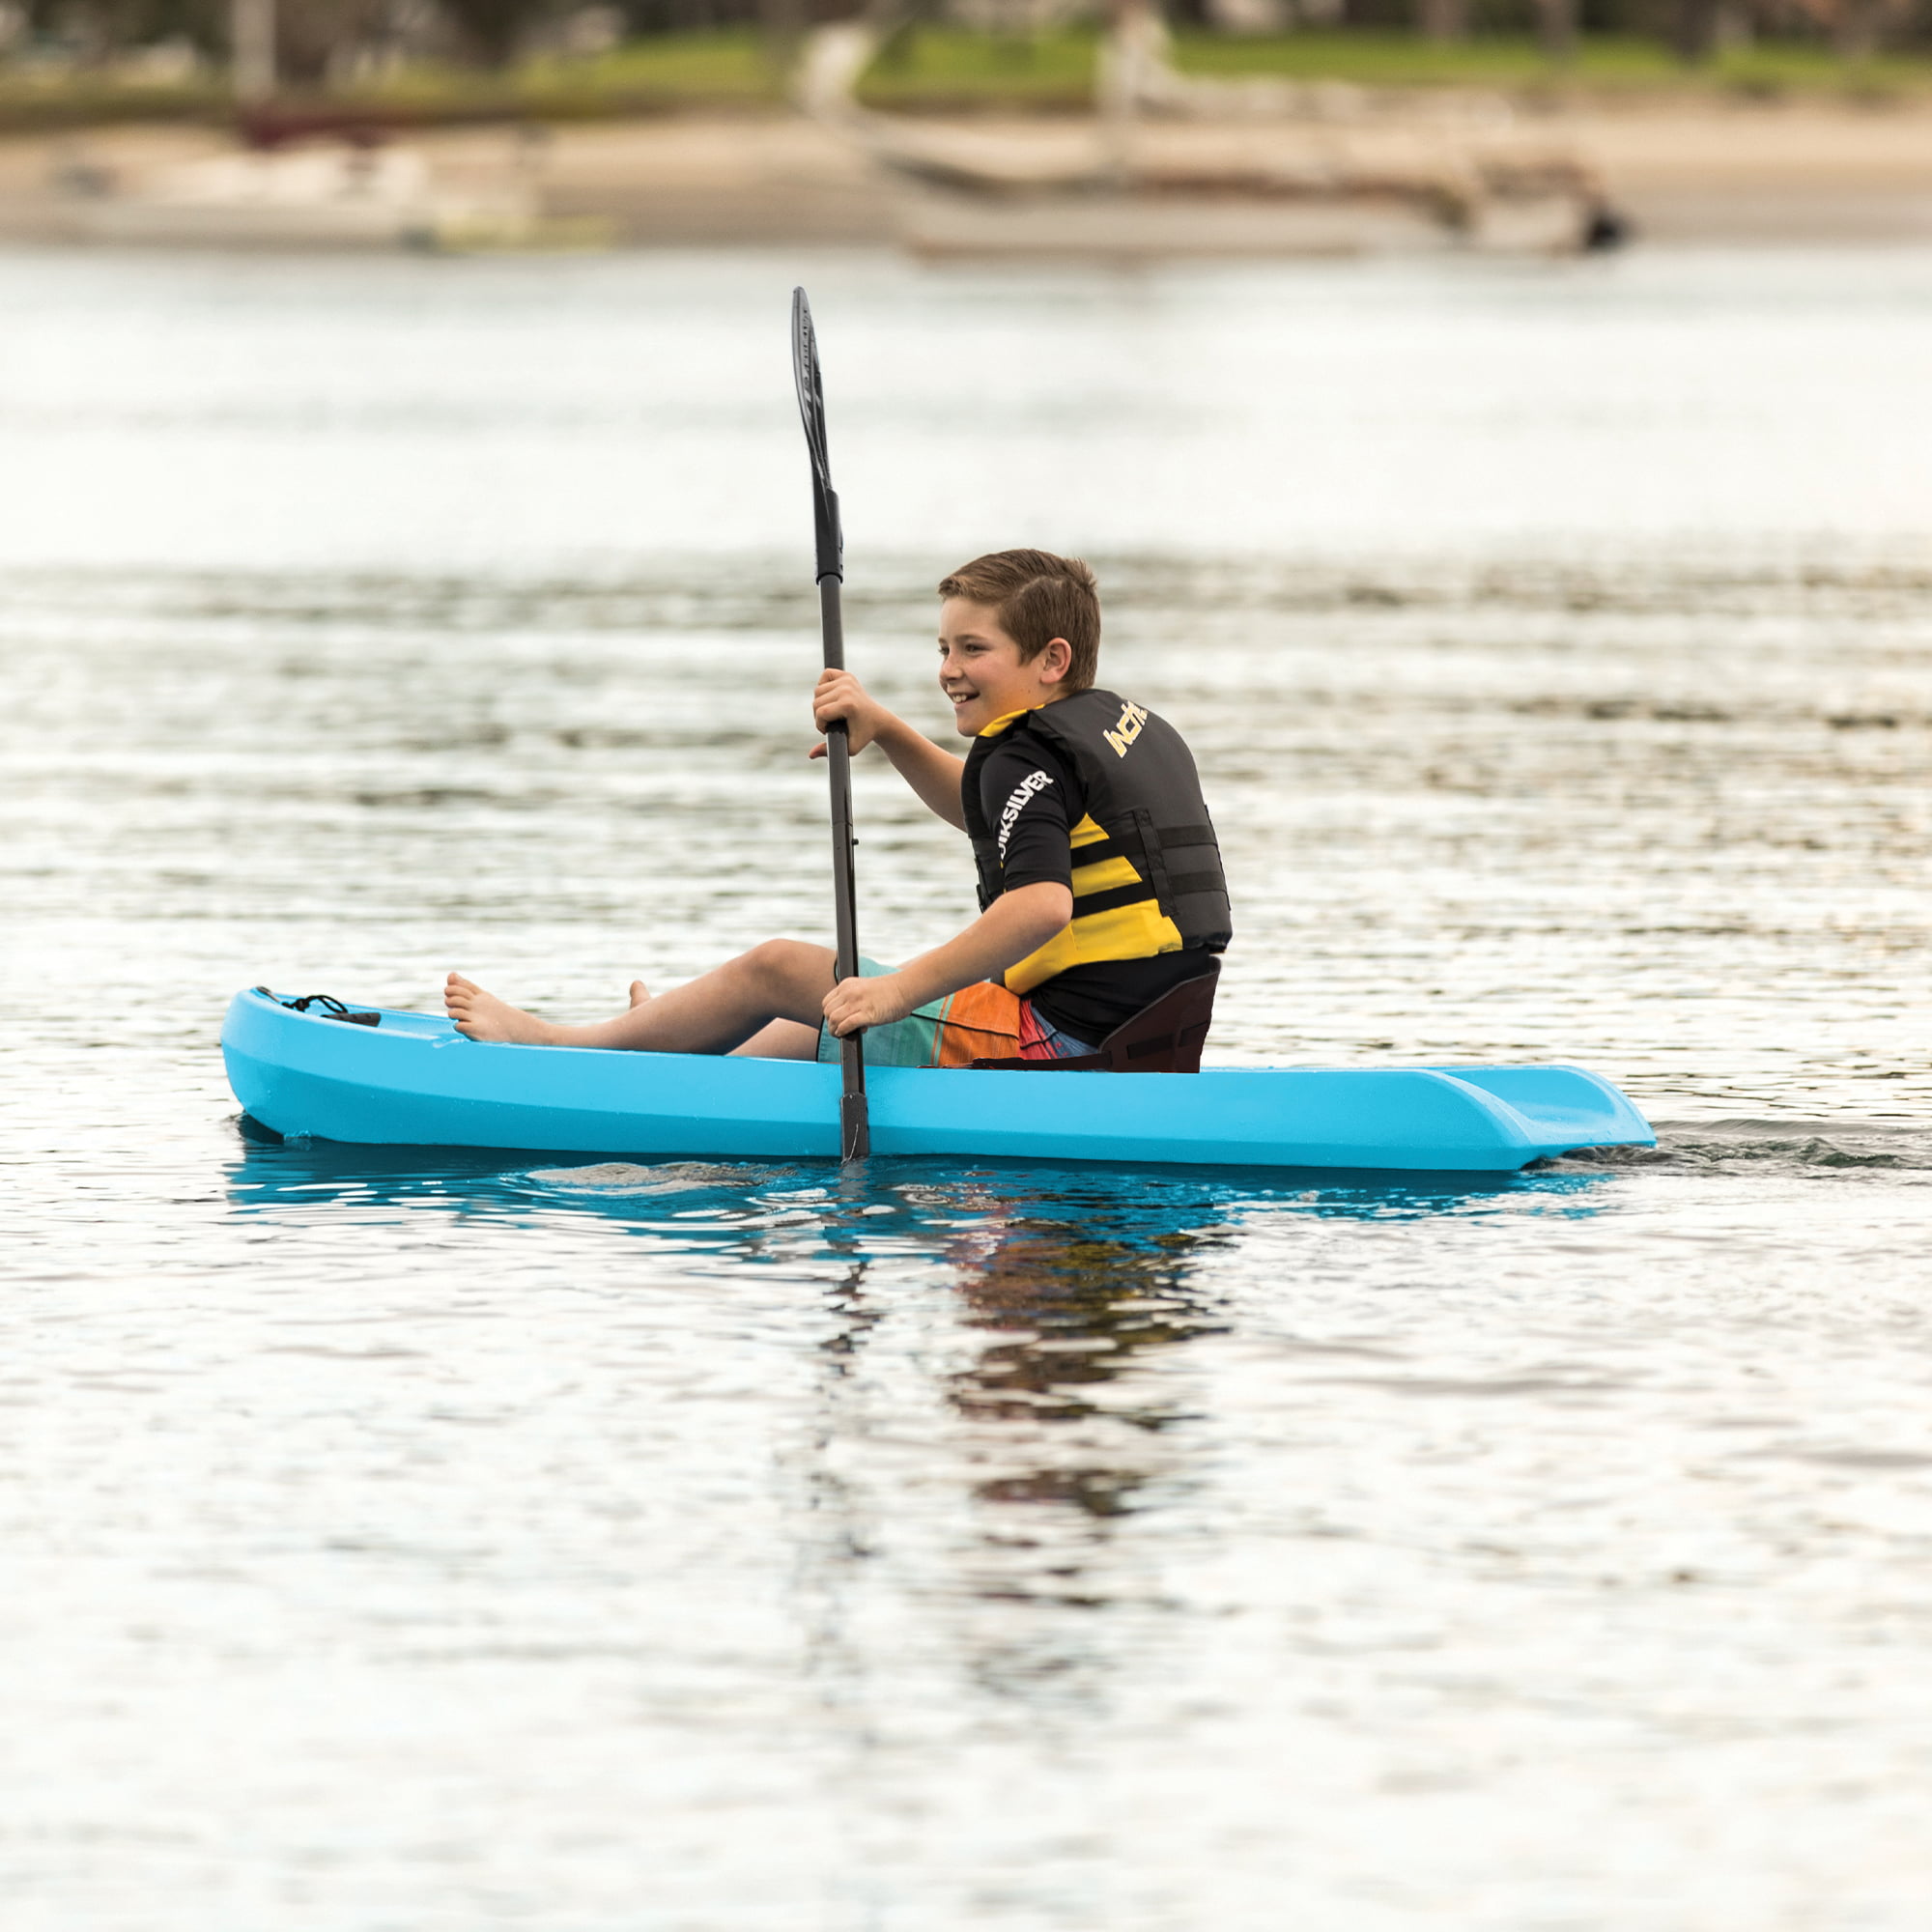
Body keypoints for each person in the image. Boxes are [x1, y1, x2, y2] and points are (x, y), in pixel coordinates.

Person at [443, 550, 1232, 1065]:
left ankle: (569, 1050)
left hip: (1061, 1043)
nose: (949, 670)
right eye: (942, 650)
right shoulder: (1110, 726)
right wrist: (887, 731)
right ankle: (671, 1046)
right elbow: (989, 813)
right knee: (809, 1016)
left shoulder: (1027, 749)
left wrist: (899, 989)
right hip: (1145, 1030)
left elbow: (1039, 906)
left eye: (972, 649)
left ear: (1050, 659)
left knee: (780, 967)